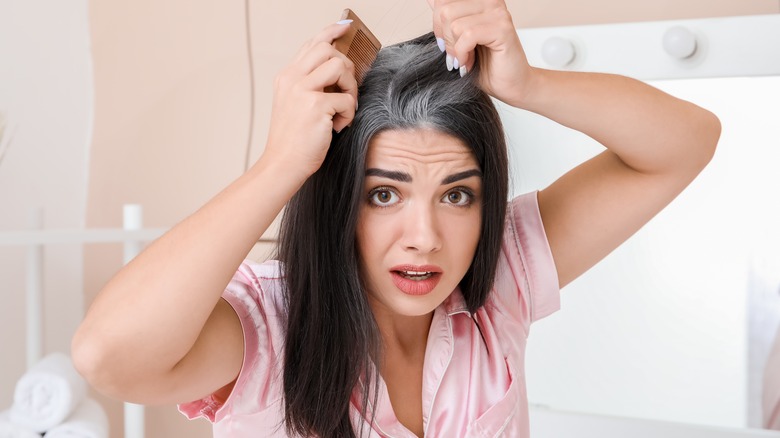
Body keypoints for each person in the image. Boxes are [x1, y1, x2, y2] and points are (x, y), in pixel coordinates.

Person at [71, 0, 721, 436]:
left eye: (457, 195)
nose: (425, 238)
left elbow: (685, 142)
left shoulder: (502, 280)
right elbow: (107, 356)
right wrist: (278, 166)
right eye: (385, 194)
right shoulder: (267, 326)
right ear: (340, 200)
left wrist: (531, 87)